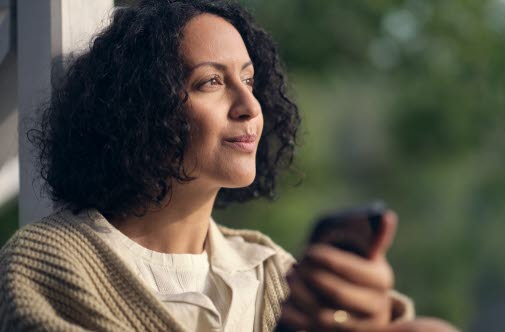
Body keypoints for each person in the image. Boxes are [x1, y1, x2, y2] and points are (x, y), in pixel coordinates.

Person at [0, 1, 458, 331]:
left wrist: (374, 321)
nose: (249, 106)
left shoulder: (271, 270)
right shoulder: (49, 260)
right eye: (211, 82)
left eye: (249, 80)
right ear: (139, 108)